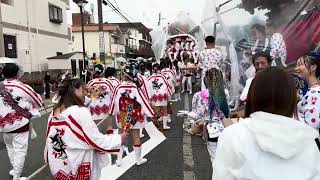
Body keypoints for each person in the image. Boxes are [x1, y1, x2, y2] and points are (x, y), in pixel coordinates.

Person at [214, 67, 320, 180]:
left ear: (253, 95)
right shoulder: (308, 141)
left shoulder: (233, 135)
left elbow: (221, 176)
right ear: (291, 98)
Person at [45, 76, 123, 180]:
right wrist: (119, 139)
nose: (85, 93)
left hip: (59, 164)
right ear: (74, 91)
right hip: (78, 163)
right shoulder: (79, 111)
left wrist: (47, 157)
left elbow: (48, 139)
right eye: (83, 90)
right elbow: (96, 140)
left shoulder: (54, 112)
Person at [0, 63, 43, 180]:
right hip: (20, 124)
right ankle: (17, 177)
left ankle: (15, 170)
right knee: (20, 151)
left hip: (3, 125)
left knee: (10, 147)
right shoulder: (22, 87)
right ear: (18, 73)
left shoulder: (0, 85)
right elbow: (38, 100)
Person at [109, 63, 155, 166]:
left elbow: (114, 101)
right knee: (136, 136)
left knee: (121, 136)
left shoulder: (118, 87)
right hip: (134, 115)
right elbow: (143, 101)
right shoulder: (135, 87)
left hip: (122, 115)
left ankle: (119, 160)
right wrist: (150, 112)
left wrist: (111, 112)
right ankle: (138, 160)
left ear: (123, 75)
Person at [296, 51, 320, 130]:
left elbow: (311, 126)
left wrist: (293, 115)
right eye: (296, 65)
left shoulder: (315, 93)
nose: (296, 68)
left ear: (313, 67)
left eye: (300, 65)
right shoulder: (312, 91)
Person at [148, 63, 173, 130]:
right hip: (163, 95)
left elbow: (148, 88)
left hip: (154, 96)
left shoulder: (150, 77)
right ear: (159, 69)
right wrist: (169, 94)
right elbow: (167, 86)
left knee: (156, 111)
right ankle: (164, 126)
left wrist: (149, 97)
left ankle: (157, 125)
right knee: (164, 110)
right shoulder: (162, 77)